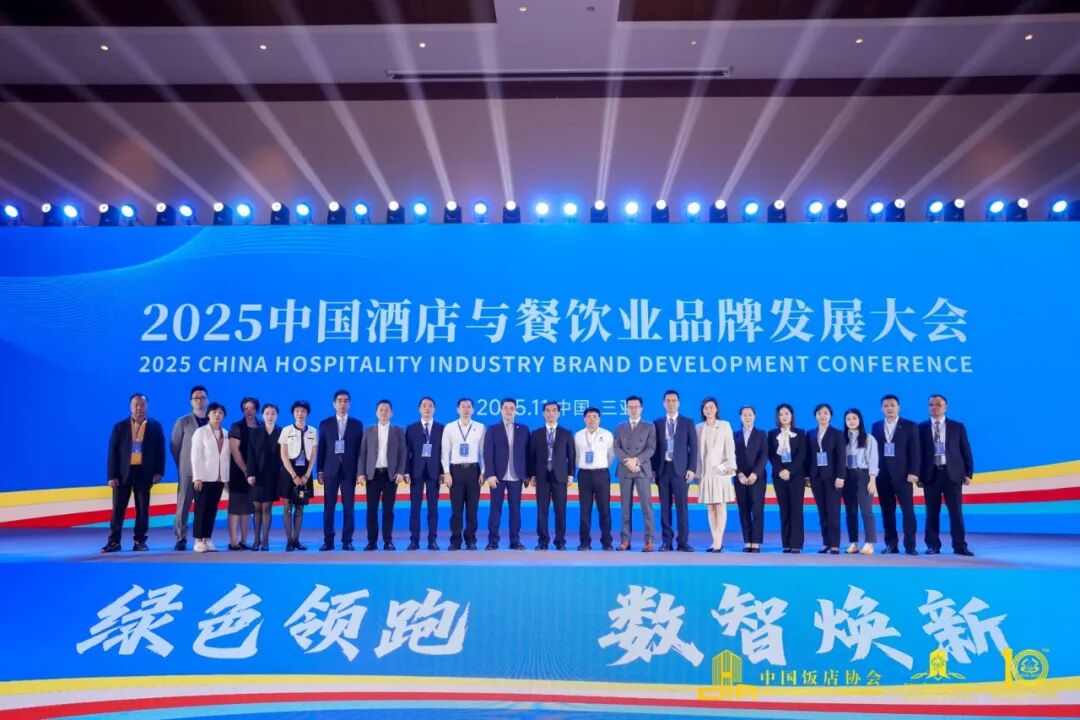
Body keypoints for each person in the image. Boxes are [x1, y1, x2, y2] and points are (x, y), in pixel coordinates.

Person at [102, 393, 165, 553]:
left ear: (147, 406)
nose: (139, 408)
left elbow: (160, 451)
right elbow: (112, 453)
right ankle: (114, 542)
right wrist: (111, 476)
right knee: (118, 509)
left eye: (142, 405)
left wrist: (159, 472)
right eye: (136, 405)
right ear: (130, 407)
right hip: (123, 474)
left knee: (143, 509)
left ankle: (140, 541)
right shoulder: (120, 426)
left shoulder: (155, 426)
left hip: (144, 473)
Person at [920, 394, 975, 556]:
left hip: (952, 475)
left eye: (938, 404)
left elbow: (966, 450)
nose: (934, 407)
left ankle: (960, 546)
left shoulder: (957, 427)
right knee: (931, 512)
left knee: (956, 512)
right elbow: (917, 454)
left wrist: (969, 473)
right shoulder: (921, 428)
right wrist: (918, 475)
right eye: (931, 404)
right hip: (931, 475)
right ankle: (932, 545)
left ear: (946, 407)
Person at [871, 394, 921, 555]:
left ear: (898, 407)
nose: (889, 408)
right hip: (883, 476)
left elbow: (916, 451)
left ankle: (910, 545)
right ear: (881, 409)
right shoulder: (876, 426)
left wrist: (914, 472)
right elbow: (873, 452)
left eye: (892, 405)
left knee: (908, 511)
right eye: (886, 406)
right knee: (887, 512)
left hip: (904, 475)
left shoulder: (910, 426)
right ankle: (891, 544)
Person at [317, 390, 364, 552]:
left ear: (349, 404)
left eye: (345, 401)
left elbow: (360, 451)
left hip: (349, 472)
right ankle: (328, 541)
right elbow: (321, 448)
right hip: (330, 471)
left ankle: (347, 541)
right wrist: (320, 470)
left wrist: (359, 472)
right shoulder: (325, 423)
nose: (342, 404)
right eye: (339, 401)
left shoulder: (357, 424)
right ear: (334, 404)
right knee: (329, 507)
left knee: (349, 507)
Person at [652, 390, 698, 552]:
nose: (671, 404)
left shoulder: (687, 422)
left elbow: (694, 448)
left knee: (682, 507)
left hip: (681, 471)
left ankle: (683, 541)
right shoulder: (657, 423)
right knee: (665, 508)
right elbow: (654, 449)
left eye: (674, 401)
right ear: (663, 403)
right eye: (668, 401)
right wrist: (653, 469)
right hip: (663, 470)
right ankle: (666, 541)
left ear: (678, 403)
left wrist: (692, 468)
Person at [358, 399, 407, 550]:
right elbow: (362, 453)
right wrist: (360, 473)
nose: (384, 412)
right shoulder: (368, 430)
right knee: (371, 510)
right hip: (372, 475)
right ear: (376, 413)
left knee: (388, 510)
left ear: (391, 413)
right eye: (381, 410)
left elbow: (403, 453)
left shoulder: (398, 430)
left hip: (390, 476)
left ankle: (388, 541)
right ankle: (371, 541)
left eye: (387, 410)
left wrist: (401, 472)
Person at [527, 401, 576, 550]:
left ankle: (560, 541)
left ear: (559, 413)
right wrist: (532, 475)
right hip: (541, 476)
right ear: (543, 413)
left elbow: (571, 456)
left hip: (560, 476)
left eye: (554, 410)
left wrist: (571, 474)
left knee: (560, 510)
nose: (551, 413)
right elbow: (531, 456)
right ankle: (543, 541)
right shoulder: (536, 433)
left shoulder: (566, 433)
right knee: (542, 510)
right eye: (548, 410)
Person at [483, 398, 529, 550]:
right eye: (505, 408)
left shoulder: (523, 429)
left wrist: (527, 475)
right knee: (495, 509)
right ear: (501, 410)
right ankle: (493, 541)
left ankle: (515, 541)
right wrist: (490, 474)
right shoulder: (493, 429)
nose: (508, 411)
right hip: (497, 476)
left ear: (516, 411)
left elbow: (527, 454)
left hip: (516, 476)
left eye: (512, 408)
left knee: (515, 510)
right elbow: (488, 453)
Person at [613, 395, 657, 552]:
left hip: (642, 468)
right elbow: (616, 447)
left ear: (641, 408)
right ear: (626, 409)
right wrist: (628, 461)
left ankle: (649, 541)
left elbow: (651, 448)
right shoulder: (620, 427)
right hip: (625, 469)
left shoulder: (649, 426)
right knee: (625, 507)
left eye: (636, 406)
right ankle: (625, 540)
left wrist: (636, 461)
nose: (633, 409)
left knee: (646, 507)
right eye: (630, 407)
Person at [441, 398, 485, 551]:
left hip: (474, 471)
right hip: (455, 471)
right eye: (463, 407)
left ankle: (470, 539)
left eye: (468, 407)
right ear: (457, 409)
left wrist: (483, 472)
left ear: (473, 410)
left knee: (472, 509)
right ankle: (455, 540)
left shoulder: (480, 427)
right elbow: (445, 452)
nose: (466, 409)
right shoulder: (450, 427)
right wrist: (447, 472)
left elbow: (483, 452)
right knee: (456, 509)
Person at [170, 385, 208, 551]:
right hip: (188, 471)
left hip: (207, 472)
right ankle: (180, 537)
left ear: (207, 400)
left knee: (203, 506)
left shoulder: (213, 420)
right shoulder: (183, 421)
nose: (199, 401)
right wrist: (183, 465)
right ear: (191, 401)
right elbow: (175, 447)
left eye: (202, 397)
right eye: (196, 398)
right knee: (183, 506)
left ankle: (202, 537)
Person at [696, 397, 736, 553]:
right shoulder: (699, 427)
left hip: (721, 470)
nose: (709, 410)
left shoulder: (724, 425)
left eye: (711, 407)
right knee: (710, 506)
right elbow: (697, 452)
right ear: (703, 410)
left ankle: (718, 541)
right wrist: (697, 473)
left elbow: (730, 448)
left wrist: (731, 467)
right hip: (705, 472)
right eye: (706, 407)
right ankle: (715, 541)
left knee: (720, 505)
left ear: (716, 409)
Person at [190, 402, 231, 553]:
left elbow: (227, 457)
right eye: (214, 412)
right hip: (204, 478)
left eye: (220, 413)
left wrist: (226, 478)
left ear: (224, 415)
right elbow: (196, 456)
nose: (217, 415)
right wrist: (197, 477)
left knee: (212, 510)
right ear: (208, 414)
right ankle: (198, 540)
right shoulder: (201, 432)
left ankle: (207, 539)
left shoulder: (226, 433)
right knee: (200, 509)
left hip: (219, 479)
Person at [767, 403, 807, 553]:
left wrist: (789, 470)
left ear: (792, 415)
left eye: (786, 414)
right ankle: (786, 543)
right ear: (777, 417)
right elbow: (771, 455)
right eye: (781, 414)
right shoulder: (772, 433)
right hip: (779, 476)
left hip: (796, 476)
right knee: (784, 509)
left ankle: (796, 543)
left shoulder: (800, 433)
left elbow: (802, 454)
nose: (784, 416)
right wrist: (780, 470)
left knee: (796, 509)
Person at [405, 397, 444, 550]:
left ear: (434, 409)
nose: (427, 408)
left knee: (433, 508)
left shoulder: (441, 428)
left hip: (434, 473)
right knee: (415, 508)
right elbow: (406, 453)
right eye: (424, 406)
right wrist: (406, 472)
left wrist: (443, 472)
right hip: (416, 472)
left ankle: (432, 540)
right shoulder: (411, 428)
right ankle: (414, 541)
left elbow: (444, 452)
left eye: (430, 406)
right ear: (419, 409)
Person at [807, 403, 847, 554]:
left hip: (833, 478)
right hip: (816, 477)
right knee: (822, 511)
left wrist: (841, 476)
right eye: (819, 413)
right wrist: (807, 476)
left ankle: (835, 544)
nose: (822, 416)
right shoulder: (810, 433)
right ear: (815, 416)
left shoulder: (837, 433)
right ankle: (826, 542)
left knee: (833, 511)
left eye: (825, 413)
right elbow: (808, 456)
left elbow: (841, 456)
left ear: (830, 415)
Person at [279, 400, 317, 552]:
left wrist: (307, 475)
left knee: (300, 508)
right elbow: (283, 455)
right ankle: (289, 541)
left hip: (305, 473)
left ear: (307, 413)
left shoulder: (313, 431)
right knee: (287, 508)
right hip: (289, 473)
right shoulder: (286, 430)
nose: (300, 414)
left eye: (303, 411)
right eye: (297, 411)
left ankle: (297, 540)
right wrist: (294, 475)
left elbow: (313, 455)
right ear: (293, 413)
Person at [574, 407, 614, 551]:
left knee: (604, 510)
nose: (592, 420)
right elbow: (576, 456)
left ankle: (607, 542)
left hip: (601, 474)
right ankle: (585, 542)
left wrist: (601, 466)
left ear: (599, 419)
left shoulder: (607, 434)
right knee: (585, 510)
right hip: (584, 475)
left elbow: (611, 455)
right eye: (589, 417)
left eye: (595, 417)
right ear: (584, 419)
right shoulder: (578, 435)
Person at [245, 403, 282, 551]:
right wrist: (250, 473)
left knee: (267, 508)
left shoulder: (282, 432)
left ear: (277, 416)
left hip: (273, 476)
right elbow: (251, 455)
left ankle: (265, 540)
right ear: (262, 415)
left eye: (273, 413)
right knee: (257, 508)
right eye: (267, 413)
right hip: (257, 476)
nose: (270, 416)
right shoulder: (255, 432)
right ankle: (256, 540)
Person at [842, 408, 879, 555]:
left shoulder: (868, 438)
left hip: (863, 475)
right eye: (848, 419)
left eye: (854, 418)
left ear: (860, 420)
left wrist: (872, 479)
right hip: (847, 475)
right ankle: (854, 543)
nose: (851, 421)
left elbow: (873, 460)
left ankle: (869, 543)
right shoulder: (842, 438)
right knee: (850, 511)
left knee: (866, 510)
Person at [226, 397, 259, 550]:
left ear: (257, 409)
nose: (249, 411)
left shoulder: (261, 426)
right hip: (239, 472)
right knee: (235, 507)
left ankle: (244, 541)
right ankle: (233, 541)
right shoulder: (237, 426)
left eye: (252, 408)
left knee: (247, 508)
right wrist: (246, 470)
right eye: (246, 408)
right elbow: (235, 451)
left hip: (256, 474)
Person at [733, 405, 767, 553]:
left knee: (757, 510)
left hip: (757, 478)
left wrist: (755, 473)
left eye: (750, 415)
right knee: (744, 510)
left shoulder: (761, 434)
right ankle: (747, 541)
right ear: (740, 417)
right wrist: (738, 473)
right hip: (740, 478)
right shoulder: (734, 435)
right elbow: (731, 456)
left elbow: (764, 455)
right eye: (745, 415)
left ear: (754, 416)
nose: (747, 417)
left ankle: (756, 542)